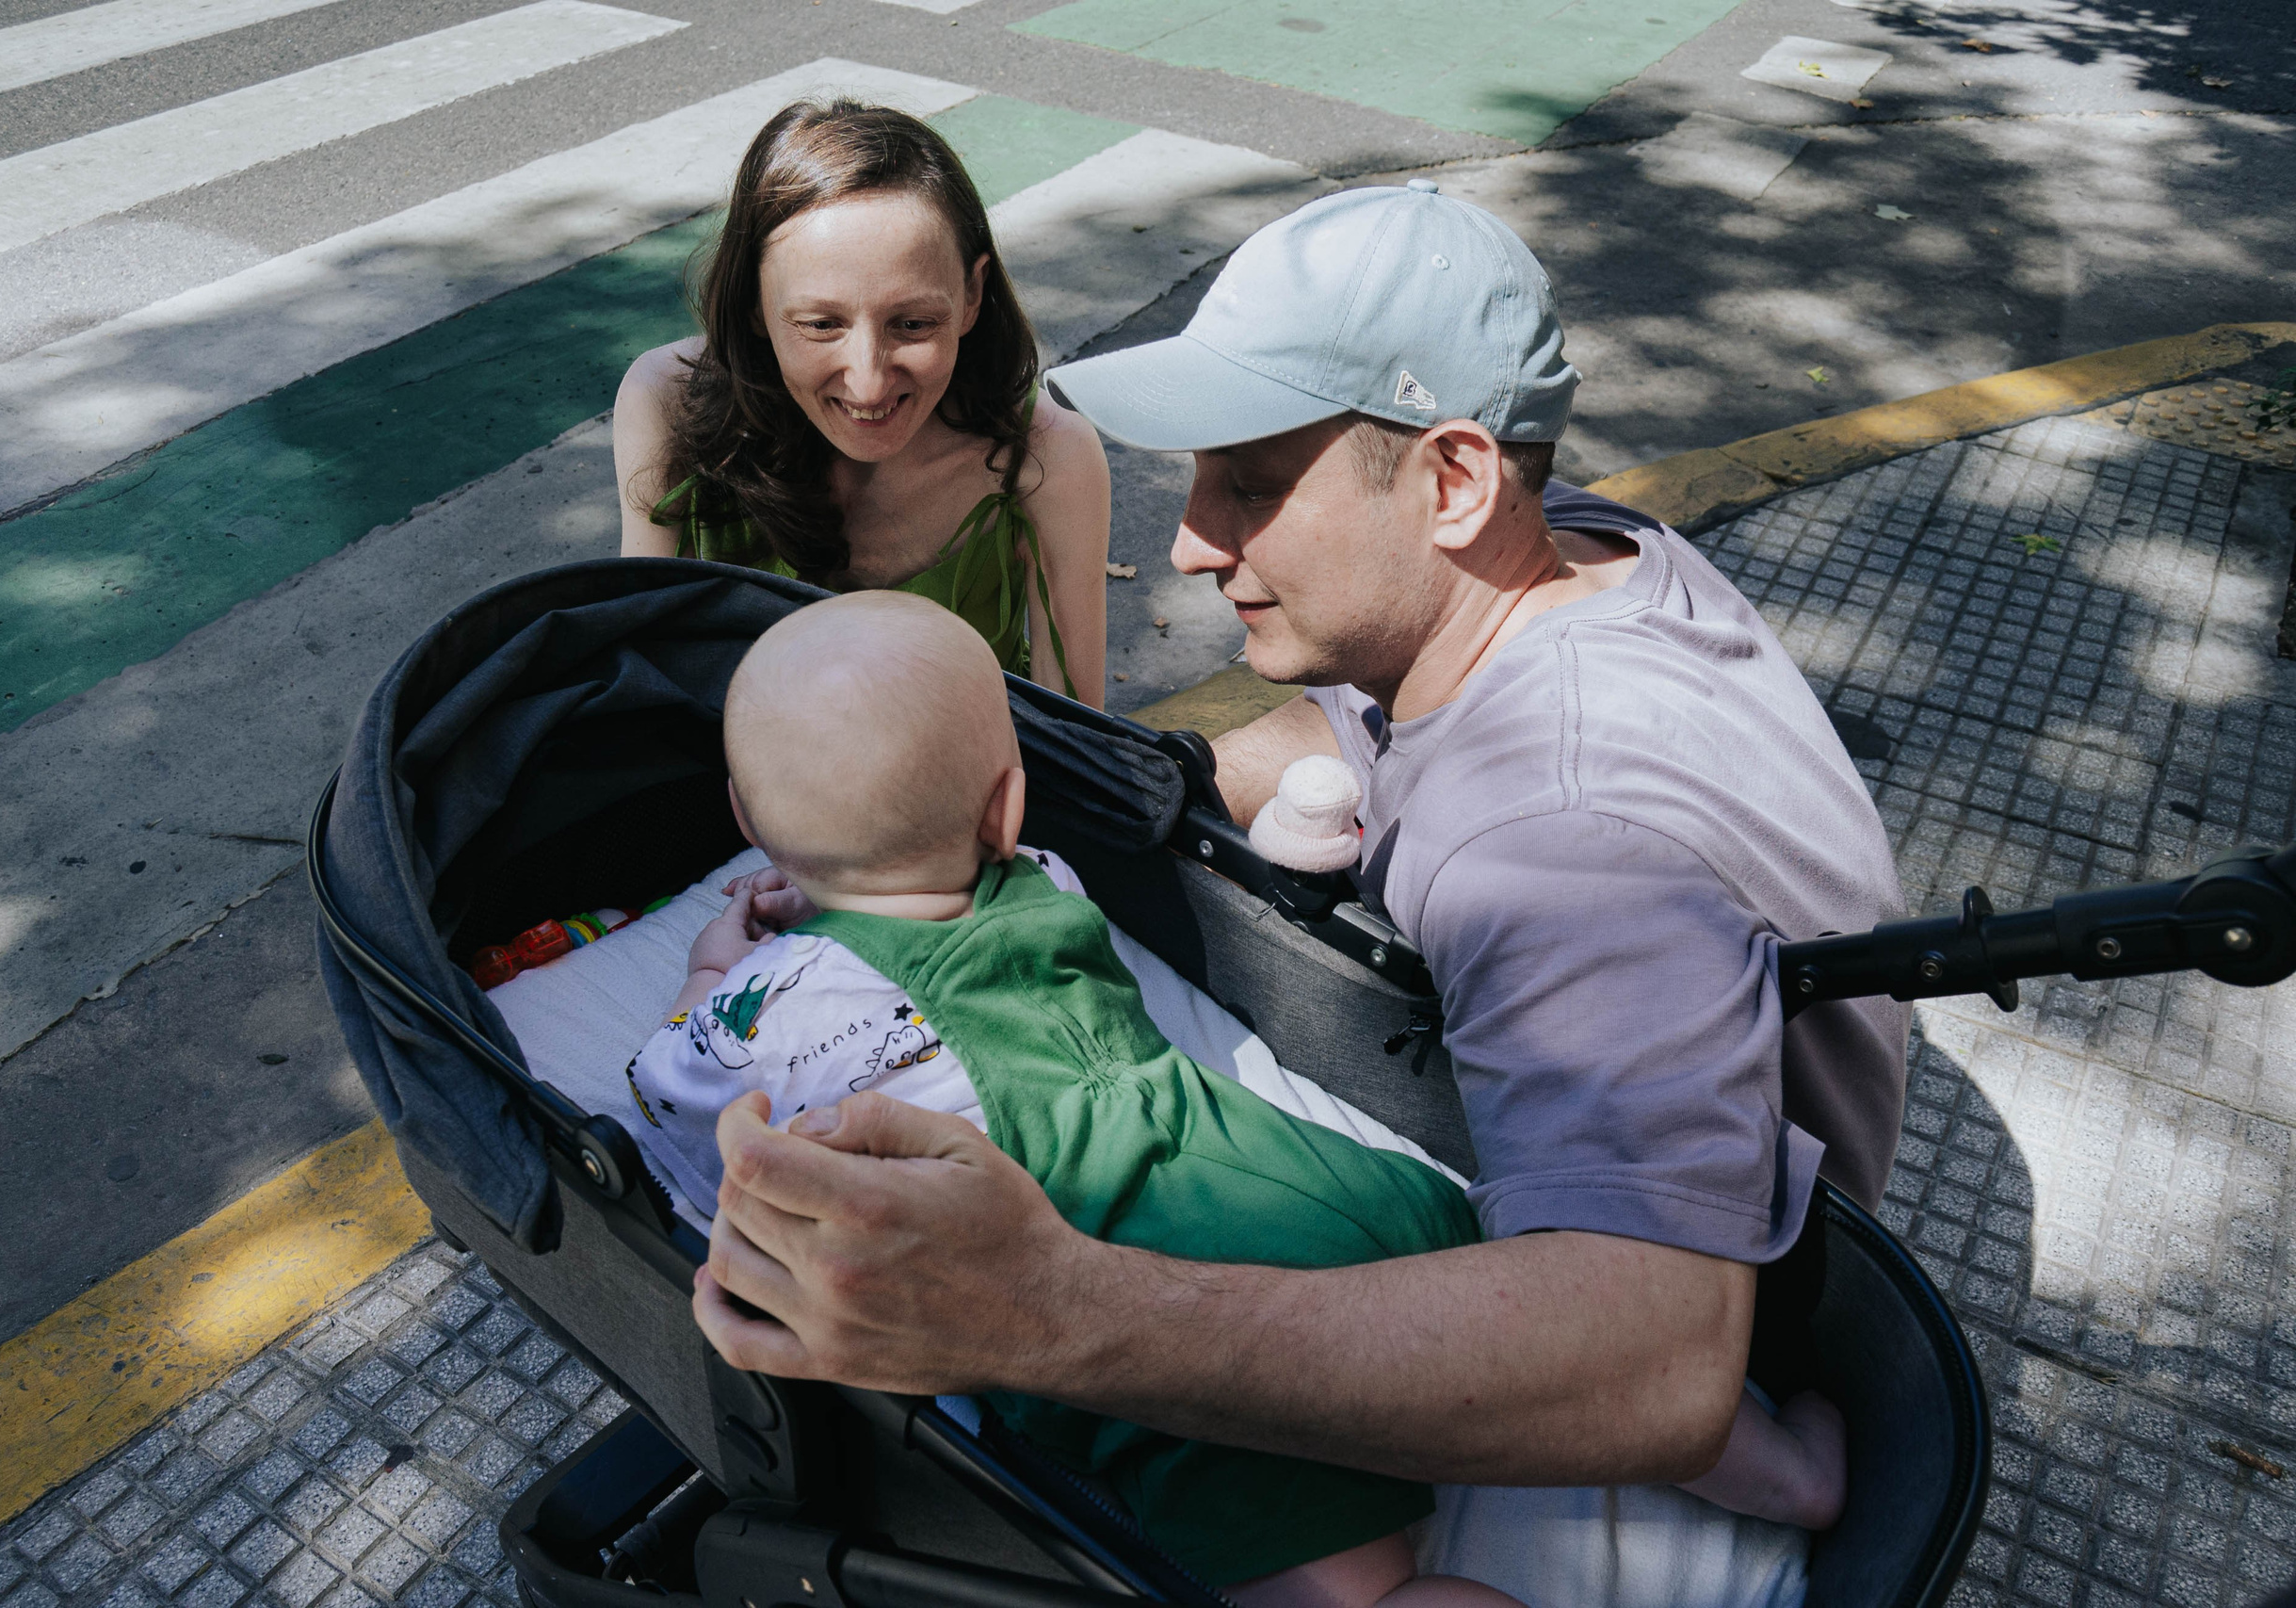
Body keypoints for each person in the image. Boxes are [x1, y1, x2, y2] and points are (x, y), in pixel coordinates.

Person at [686, 185, 1912, 1605]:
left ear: (1452, 478)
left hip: (1696, 1279)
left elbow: (1656, 1364)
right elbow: (1357, 723)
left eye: (1254, 483)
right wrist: (1145, 784)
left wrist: (1048, 1310)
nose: (1196, 542)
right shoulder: (1553, 545)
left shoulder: (1563, 840)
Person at [616, 589, 1522, 1608]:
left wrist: (710, 975)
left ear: (744, 818)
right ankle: (1716, 1456)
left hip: (1165, 1301)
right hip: (1342, 1191)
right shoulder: (1045, 878)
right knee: (1530, 1345)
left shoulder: (765, 1009)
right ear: (1006, 808)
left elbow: (665, 1085)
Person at [611, 100, 1109, 704]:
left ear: (973, 295)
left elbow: (1078, 736)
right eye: (821, 325)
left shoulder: (1046, 456)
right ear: (753, 305)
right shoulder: (665, 401)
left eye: (914, 323)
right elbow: (641, 690)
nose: (869, 384)